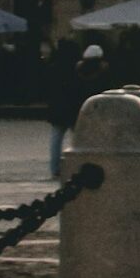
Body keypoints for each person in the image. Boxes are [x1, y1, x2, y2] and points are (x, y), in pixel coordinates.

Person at [45, 43, 110, 178]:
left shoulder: (56, 68)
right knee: (79, 139)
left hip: (57, 108)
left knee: (56, 139)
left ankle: (55, 168)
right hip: (73, 110)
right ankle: (81, 165)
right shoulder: (78, 70)